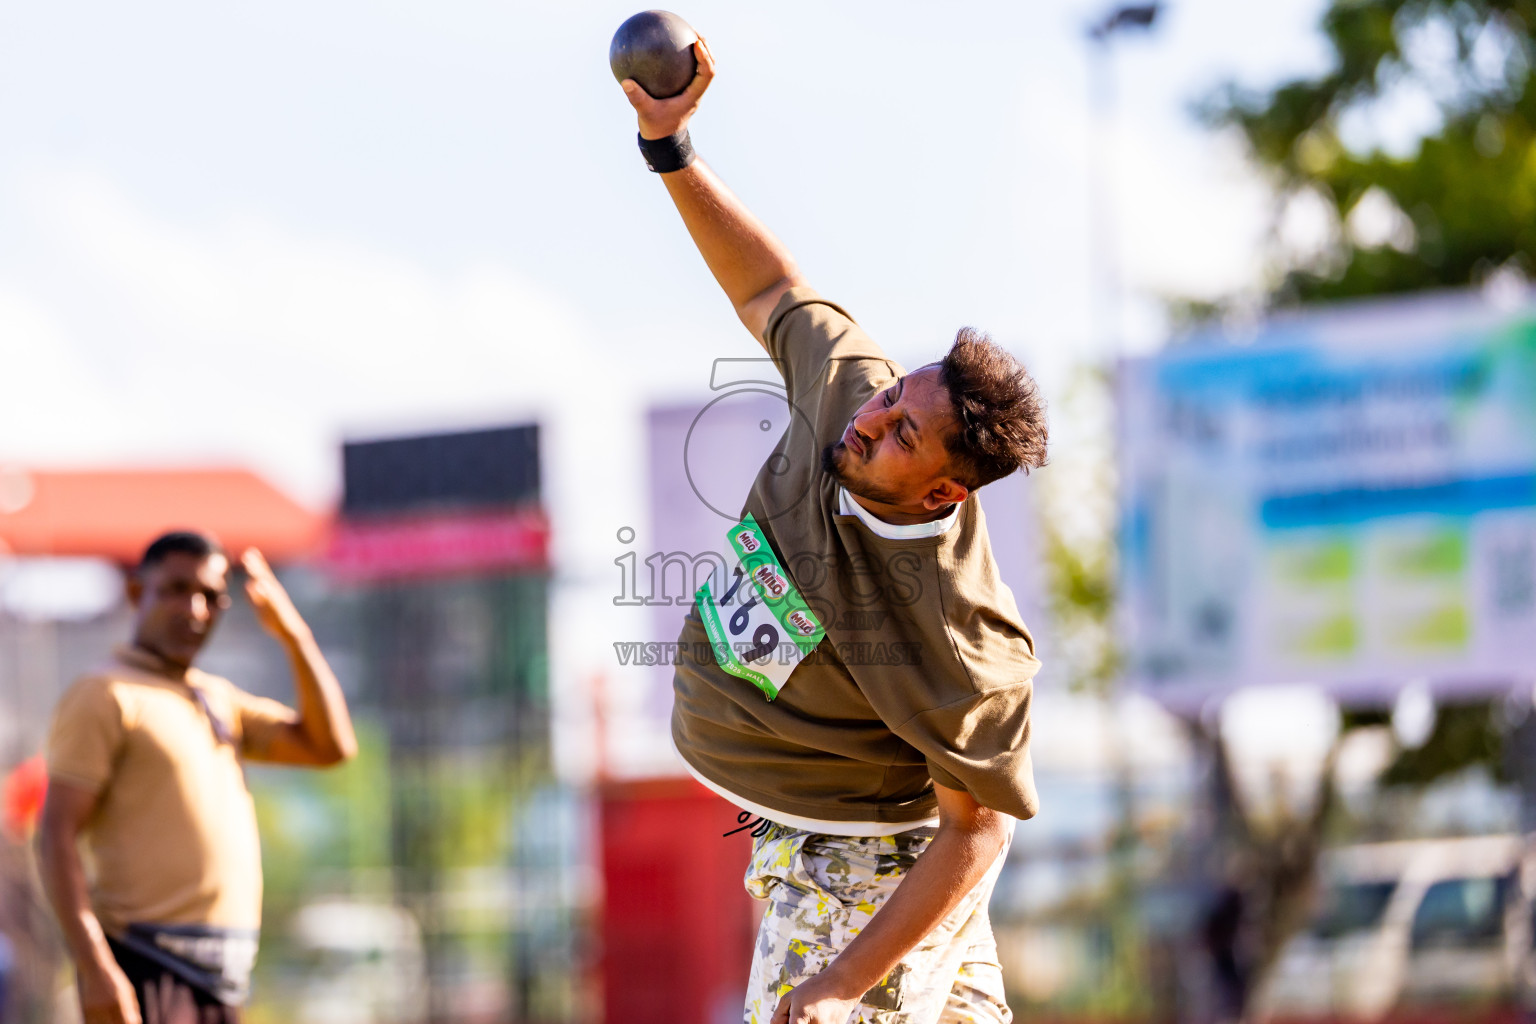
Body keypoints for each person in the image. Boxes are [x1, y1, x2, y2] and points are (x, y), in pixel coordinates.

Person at [619, 39, 1049, 1024]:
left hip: (872, 863)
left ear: (942, 494)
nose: (874, 419)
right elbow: (770, 291)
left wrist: (839, 982)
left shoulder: (960, 632)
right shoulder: (848, 393)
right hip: (812, 834)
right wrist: (670, 145)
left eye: (904, 435)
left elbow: (976, 835)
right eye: (895, 395)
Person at [36, 532, 357, 1024]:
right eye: (176, 589)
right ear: (136, 594)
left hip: (221, 973)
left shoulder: (216, 698)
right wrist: (95, 967)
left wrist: (294, 636)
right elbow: (55, 835)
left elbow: (330, 746)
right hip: (146, 961)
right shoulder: (105, 694)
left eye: (210, 596)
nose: (195, 609)